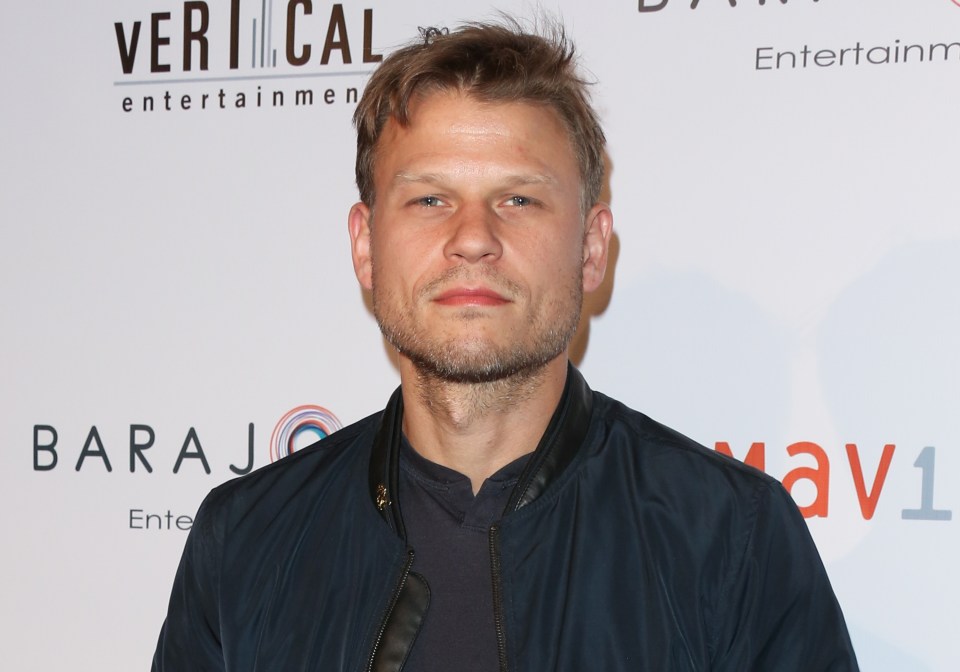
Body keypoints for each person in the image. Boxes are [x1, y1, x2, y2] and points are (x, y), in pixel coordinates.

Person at [152, 18, 860, 672]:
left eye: (518, 199)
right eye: (430, 198)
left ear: (590, 249)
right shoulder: (245, 539)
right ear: (366, 248)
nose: (472, 238)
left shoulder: (729, 539)